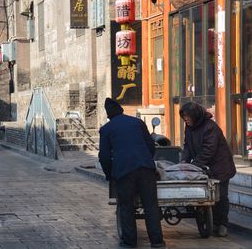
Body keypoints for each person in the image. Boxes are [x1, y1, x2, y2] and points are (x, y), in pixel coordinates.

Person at [98, 98, 165, 248]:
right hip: (146, 170)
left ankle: (129, 242)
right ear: (121, 110)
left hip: (124, 172)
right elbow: (150, 145)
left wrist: (110, 174)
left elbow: (104, 157)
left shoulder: (106, 129)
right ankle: (157, 242)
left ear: (108, 114)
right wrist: (146, 160)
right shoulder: (137, 123)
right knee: (151, 206)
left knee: (126, 206)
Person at [179, 102, 236, 237]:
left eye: (188, 116)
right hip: (204, 167)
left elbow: (209, 149)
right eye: (184, 117)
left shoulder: (210, 127)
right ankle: (212, 223)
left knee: (220, 197)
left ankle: (222, 224)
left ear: (195, 115)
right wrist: (184, 162)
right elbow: (187, 146)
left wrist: (194, 164)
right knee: (207, 197)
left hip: (220, 167)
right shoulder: (189, 127)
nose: (186, 119)